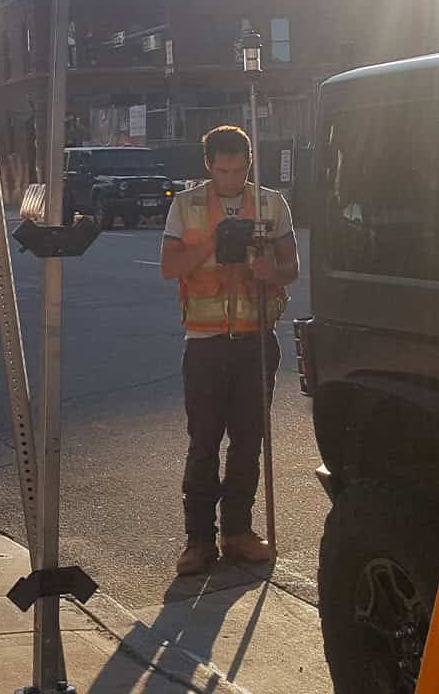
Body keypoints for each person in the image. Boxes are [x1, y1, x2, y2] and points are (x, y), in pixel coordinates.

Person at [160, 124, 299, 576]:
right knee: (203, 443)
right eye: (222, 170)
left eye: (239, 170)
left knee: (248, 443)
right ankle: (198, 540)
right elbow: (168, 267)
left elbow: (291, 268)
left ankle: (237, 531)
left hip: (256, 338)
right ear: (208, 166)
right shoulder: (186, 206)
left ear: (249, 163)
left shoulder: (272, 204)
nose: (231, 179)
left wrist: (267, 270)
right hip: (205, 343)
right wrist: (212, 248)